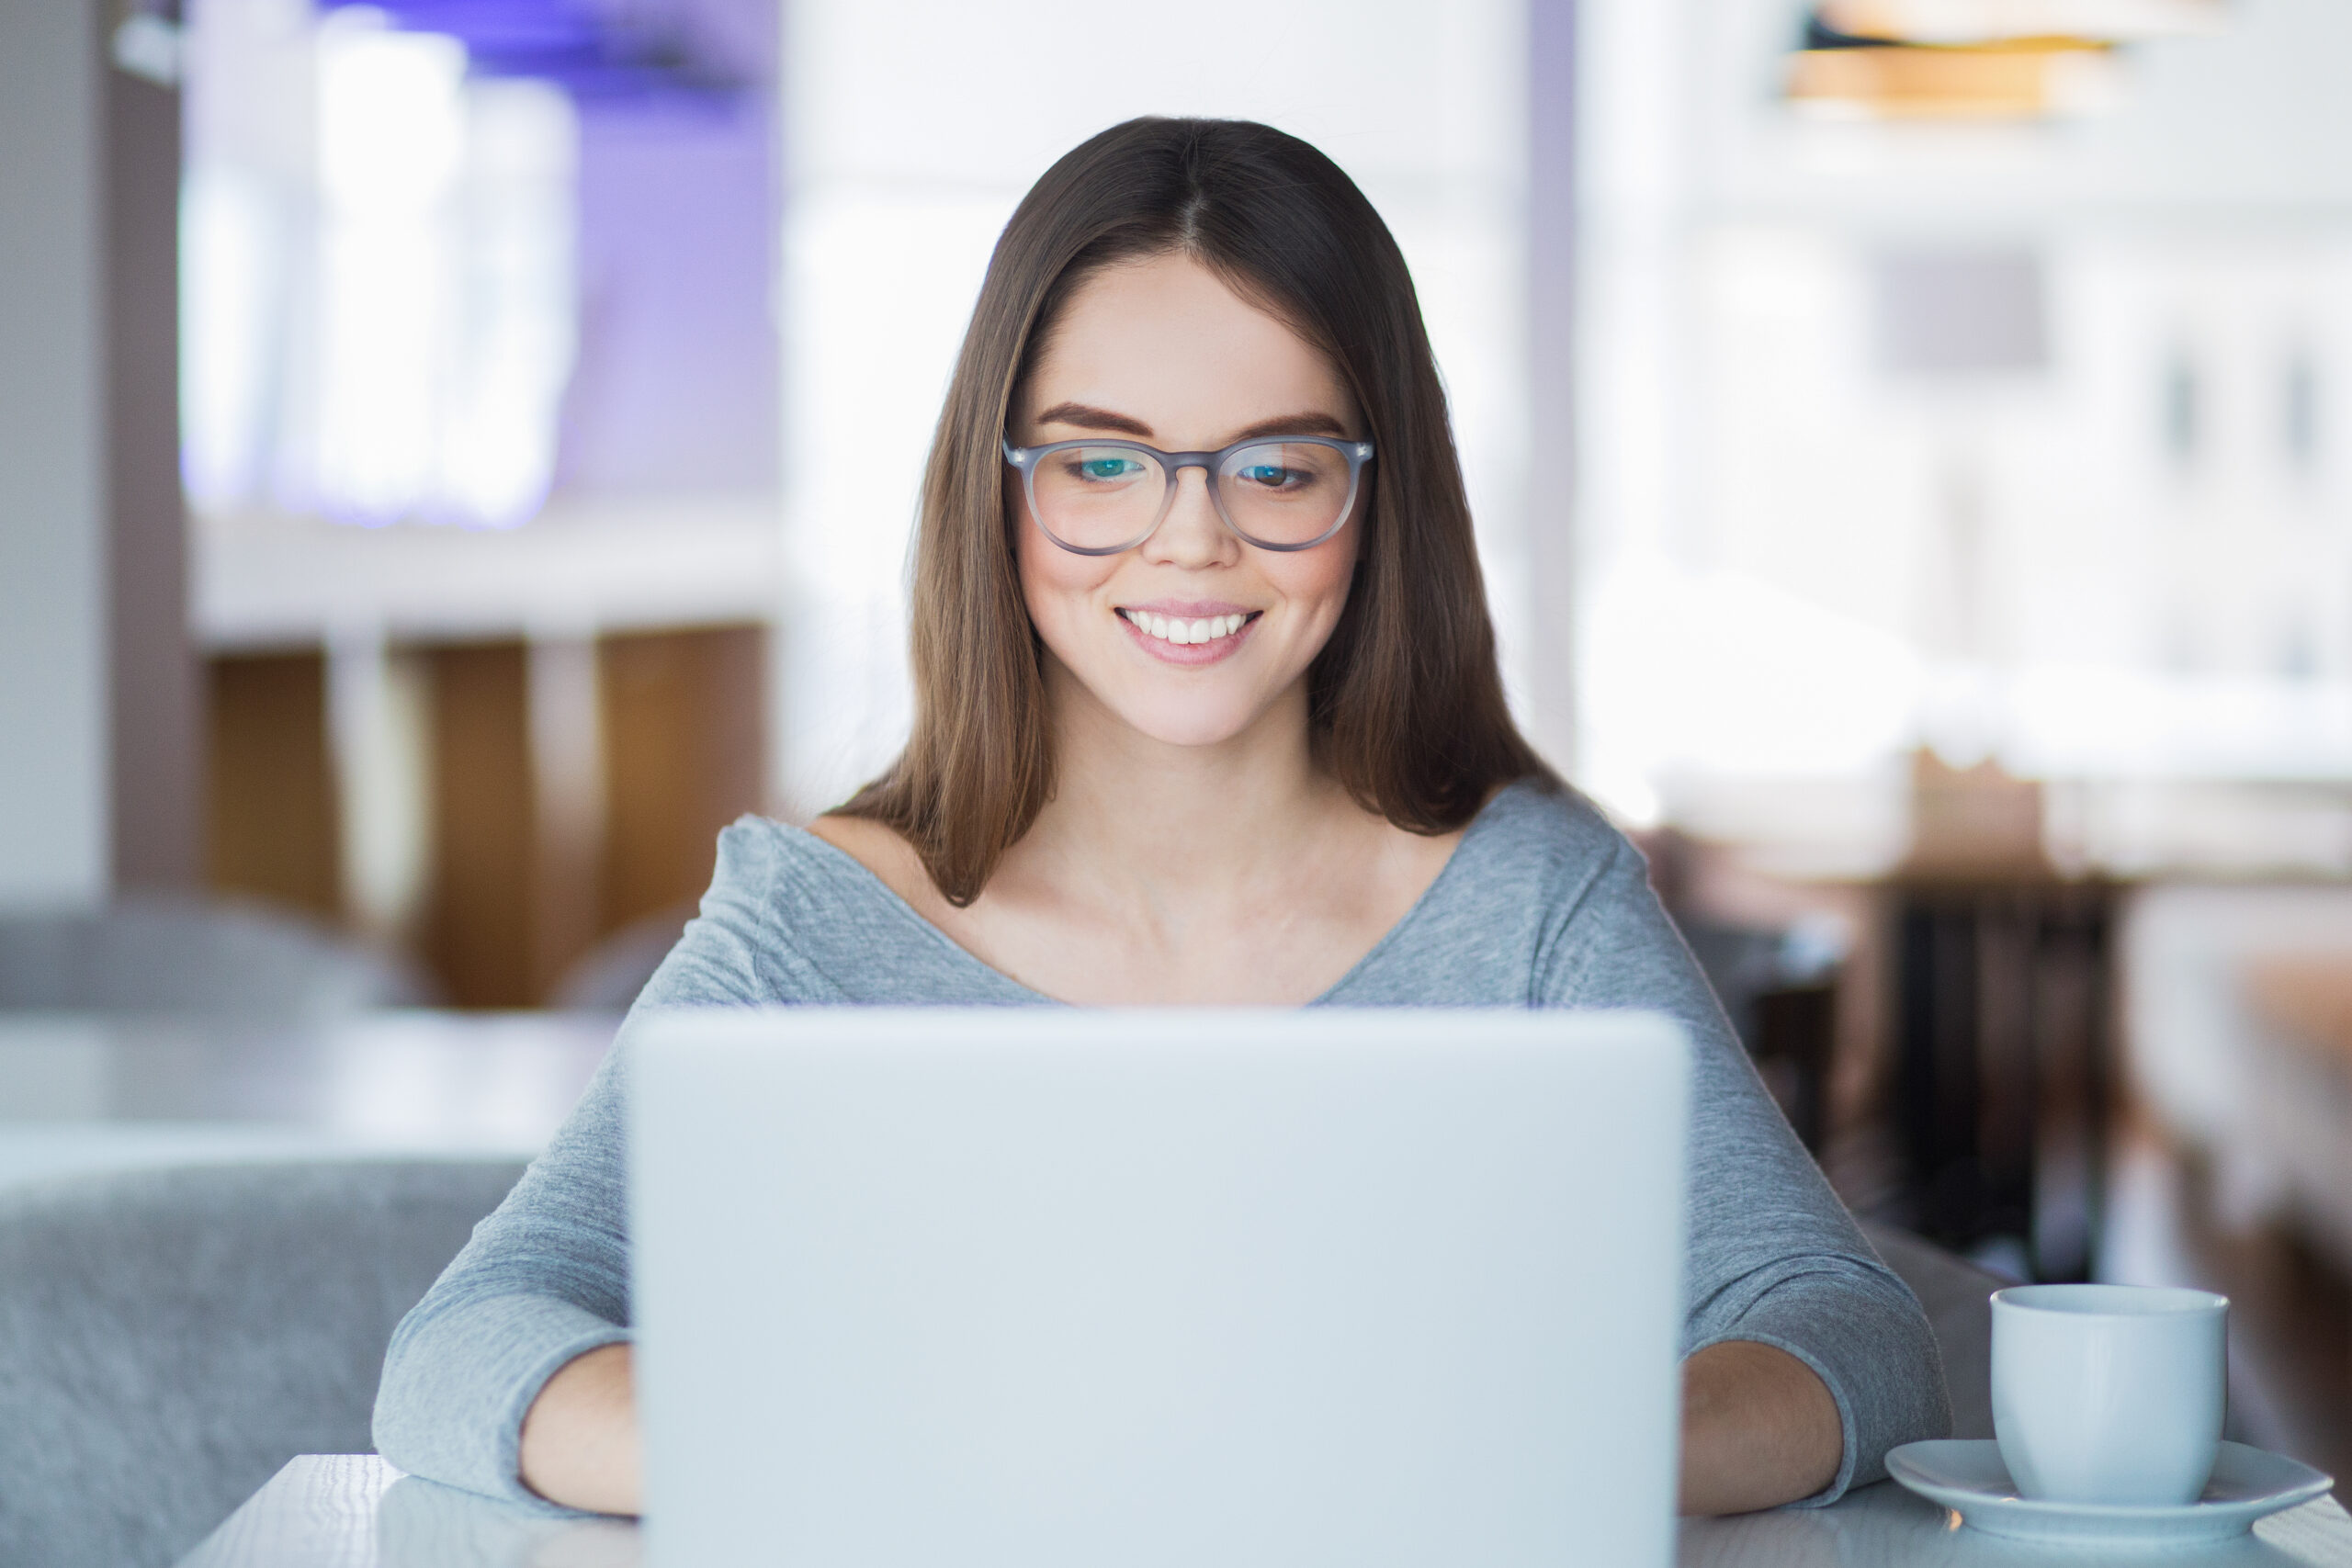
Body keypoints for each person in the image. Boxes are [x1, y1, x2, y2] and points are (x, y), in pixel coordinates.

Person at [373, 116, 1949, 1520]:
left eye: (1275, 467)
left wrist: (1542, 1455)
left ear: (1374, 495)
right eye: (1105, 463)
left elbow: (1846, 1329)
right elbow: (465, 1349)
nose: (1189, 544)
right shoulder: (814, 919)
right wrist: (854, 1461)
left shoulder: (1528, 901)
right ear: (999, 493)